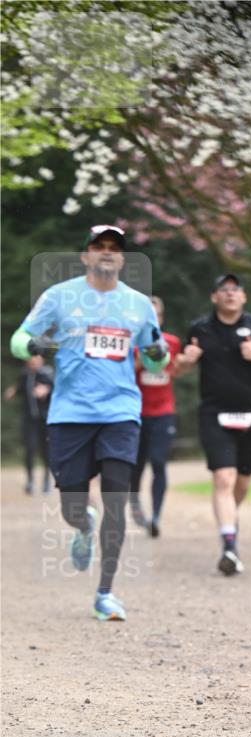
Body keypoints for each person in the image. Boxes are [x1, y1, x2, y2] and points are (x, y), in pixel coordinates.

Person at [10, 224, 169, 621]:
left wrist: (156, 352)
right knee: (73, 506)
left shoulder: (138, 305)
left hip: (120, 413)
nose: (107, 253)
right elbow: (19, 337)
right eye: (99, 246)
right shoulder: (59, 297)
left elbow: (156, 359)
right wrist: (33, 345)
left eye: (114, 248)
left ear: (122, 258)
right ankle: (82, 526)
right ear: (85, 256)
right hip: (70, 415)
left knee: (116, 498)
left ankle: (105, 593)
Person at [175, 274, 251, 575]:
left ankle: (229, 517)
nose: (230, 294)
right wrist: (187, 360)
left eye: (235, 290)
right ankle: (229, 544)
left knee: (241, 483)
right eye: (223, 290)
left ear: (243, 297)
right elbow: (177, 369)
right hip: (214, 413)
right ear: (214, 297)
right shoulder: (199, 328)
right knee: (224, 479)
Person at [129, 296, 182, 537]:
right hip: (137, 413)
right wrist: (142, 361)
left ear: (161, 318)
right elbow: (123, 374)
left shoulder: (171, 342)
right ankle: (135, 502)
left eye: (156, 316)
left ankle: (157, 517)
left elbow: (176, 371)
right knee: (137, 464)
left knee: (159, 463)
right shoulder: (131, 344)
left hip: (163, 412)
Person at [3, 354, 54, 494]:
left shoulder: (47, 375)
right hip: (29, 420)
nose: (33, 361)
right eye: (31, 359)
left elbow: (56, 389)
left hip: (45, 420)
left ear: (41, 360)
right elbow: (20, 387)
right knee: (30, 450)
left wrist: (47, 389)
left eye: (36, 359)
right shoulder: (25, 376)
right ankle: (30, 481)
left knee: (46, 452)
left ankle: (46, 482)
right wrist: (13, 391)